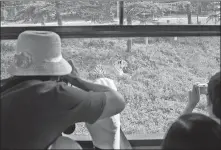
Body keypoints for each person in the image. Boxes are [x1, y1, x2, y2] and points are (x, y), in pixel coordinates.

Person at [1, 30, 126, 149]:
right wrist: (77, 80)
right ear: (57, 71)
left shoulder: (4, 87)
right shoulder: (55, 94)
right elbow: (118, 101)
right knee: (66, 145)